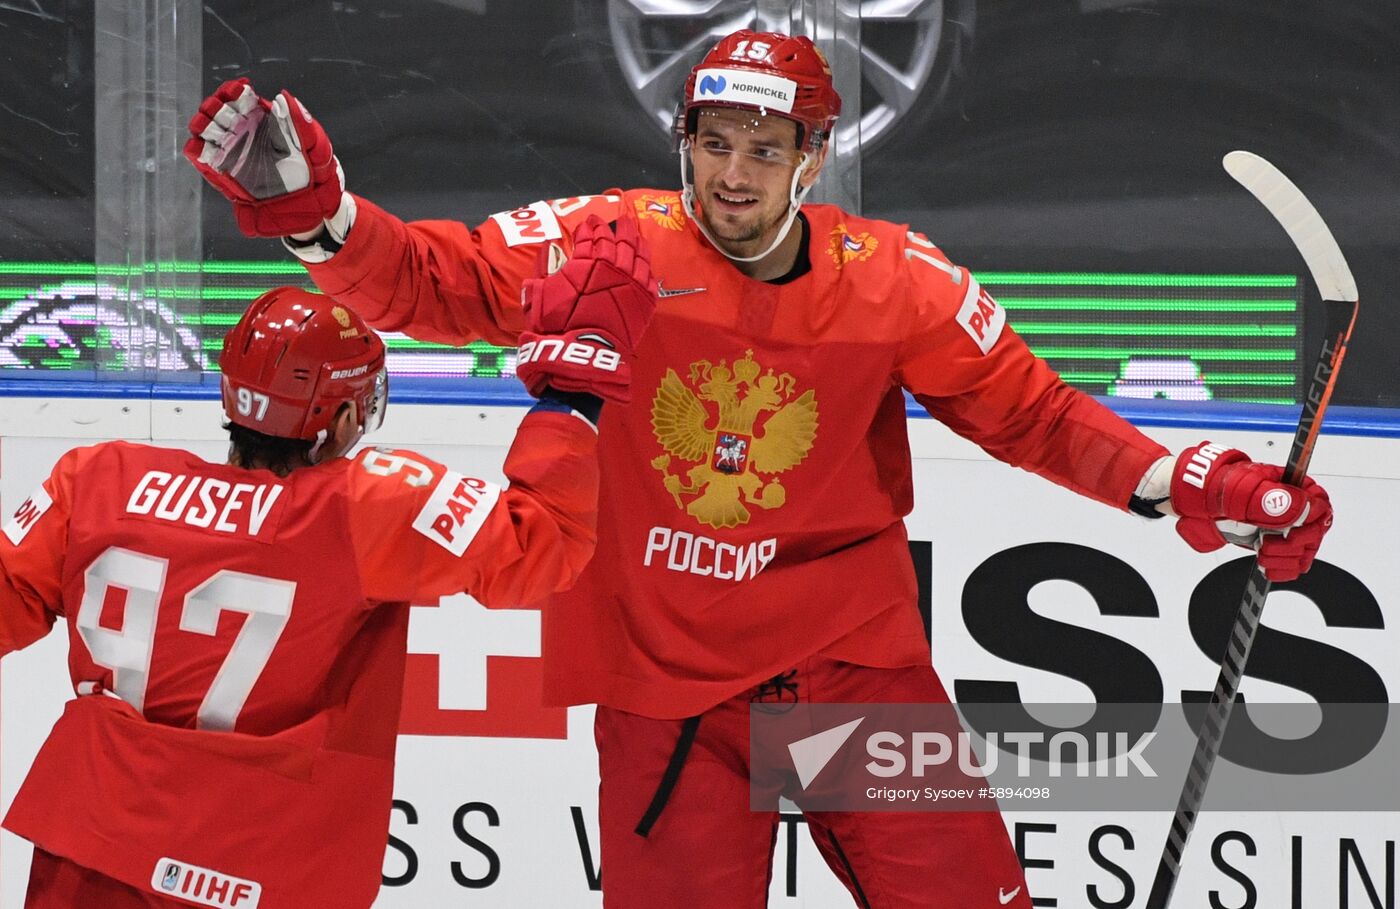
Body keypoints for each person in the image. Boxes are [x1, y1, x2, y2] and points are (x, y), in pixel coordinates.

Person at [185, 29, 1334, 908]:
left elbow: (1031, 415)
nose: (734, 174)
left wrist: (1190, 482)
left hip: (850, 673)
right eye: (715, 143)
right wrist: (322, 221)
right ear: (682, 140)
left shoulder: (894, 281)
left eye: (766, 150)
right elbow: (442, 282)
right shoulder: (608, 245)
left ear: (813, 158)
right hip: (666, 690)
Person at [0, 216, 656, 909]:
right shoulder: (365, 505)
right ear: (343, 420)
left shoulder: (98, 478)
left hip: (91, 849)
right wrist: (573, 392)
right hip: (258, 862)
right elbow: (541, 542)